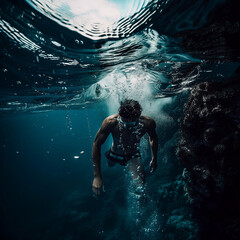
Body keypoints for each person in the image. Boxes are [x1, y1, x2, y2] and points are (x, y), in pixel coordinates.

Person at [92, 99, 158, 195]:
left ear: (138, 116)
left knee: (141, 187)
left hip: (133, 155)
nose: (128, 126)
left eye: (133, 122)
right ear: (120, 116)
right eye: (125, 122)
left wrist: (154, 158)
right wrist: (97, 176)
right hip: (114, 154)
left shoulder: (147, 123)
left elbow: (153, 138)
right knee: (110, 165)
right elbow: (96, 144)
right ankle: (110, 160)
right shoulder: (110, 122)